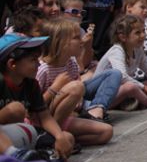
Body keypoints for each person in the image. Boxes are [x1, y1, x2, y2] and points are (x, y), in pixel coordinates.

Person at [34, 18, 116, 146]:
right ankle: (52, 135)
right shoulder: (42, 69)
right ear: (60, 42)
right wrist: (54, 88)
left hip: (64, 116)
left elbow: (77, 87)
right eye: (77, 37)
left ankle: (64, 141)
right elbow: (33, 107)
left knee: (106, 131)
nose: (82, 40)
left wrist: (78, 100)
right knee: (76, 87)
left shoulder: (71, 63)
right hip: (43, 120)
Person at [0, 35, 76, 162]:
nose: (39, 63)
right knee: (16, 109)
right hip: (4, 135)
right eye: (33, 59)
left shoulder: (31, 83)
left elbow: (45, 116)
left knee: (67, 138)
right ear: (12, 64)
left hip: (19, 134)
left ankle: (33, 157)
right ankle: (22, 157)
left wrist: (59, 136)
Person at [94, 14, 147, 110]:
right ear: (123, 37)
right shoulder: (117, 51)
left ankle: (131, 102)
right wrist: (144, 87)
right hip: (103, 95)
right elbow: (122, 77)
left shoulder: (137, 49)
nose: (143, 35)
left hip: (123, 89)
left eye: (143, 31)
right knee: (130, 87)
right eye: (137, 33)